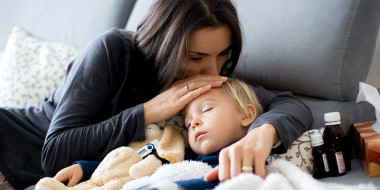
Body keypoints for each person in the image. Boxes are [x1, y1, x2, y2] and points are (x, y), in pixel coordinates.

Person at [0, 0, 312, 189]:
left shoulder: (208, 79)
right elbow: (53, 152)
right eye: (196, 57)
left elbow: (287, 103)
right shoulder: (111, 51)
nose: (212, 69)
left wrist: (261, 135)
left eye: (222, 55)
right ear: (165, 45)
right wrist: (147, 112)